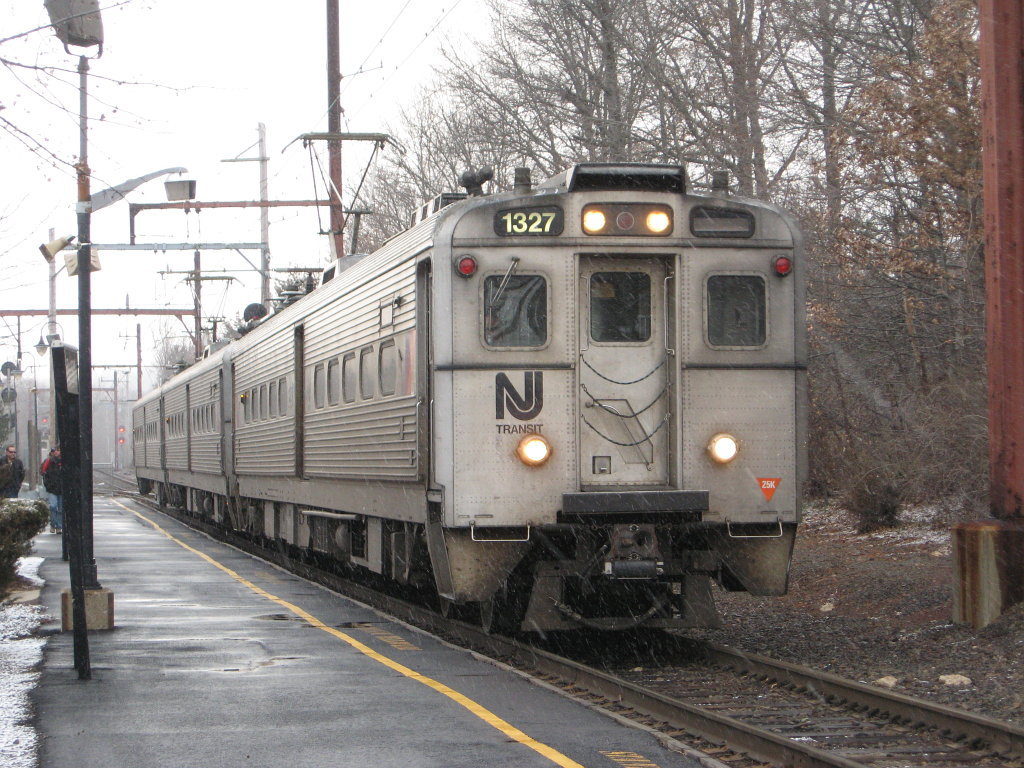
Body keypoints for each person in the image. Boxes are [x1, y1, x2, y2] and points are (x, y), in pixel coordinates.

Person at [41, 446, 63, 533]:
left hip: (61, 489)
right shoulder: (49, 461)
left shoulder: (64, 462)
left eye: (59, 450)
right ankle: (53, 524)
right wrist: (48, 485)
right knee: (53, 506)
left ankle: (59, 526)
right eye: (56, 450)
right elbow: (43, 473)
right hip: (52, 489)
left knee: (61, 508)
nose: (57, 452)